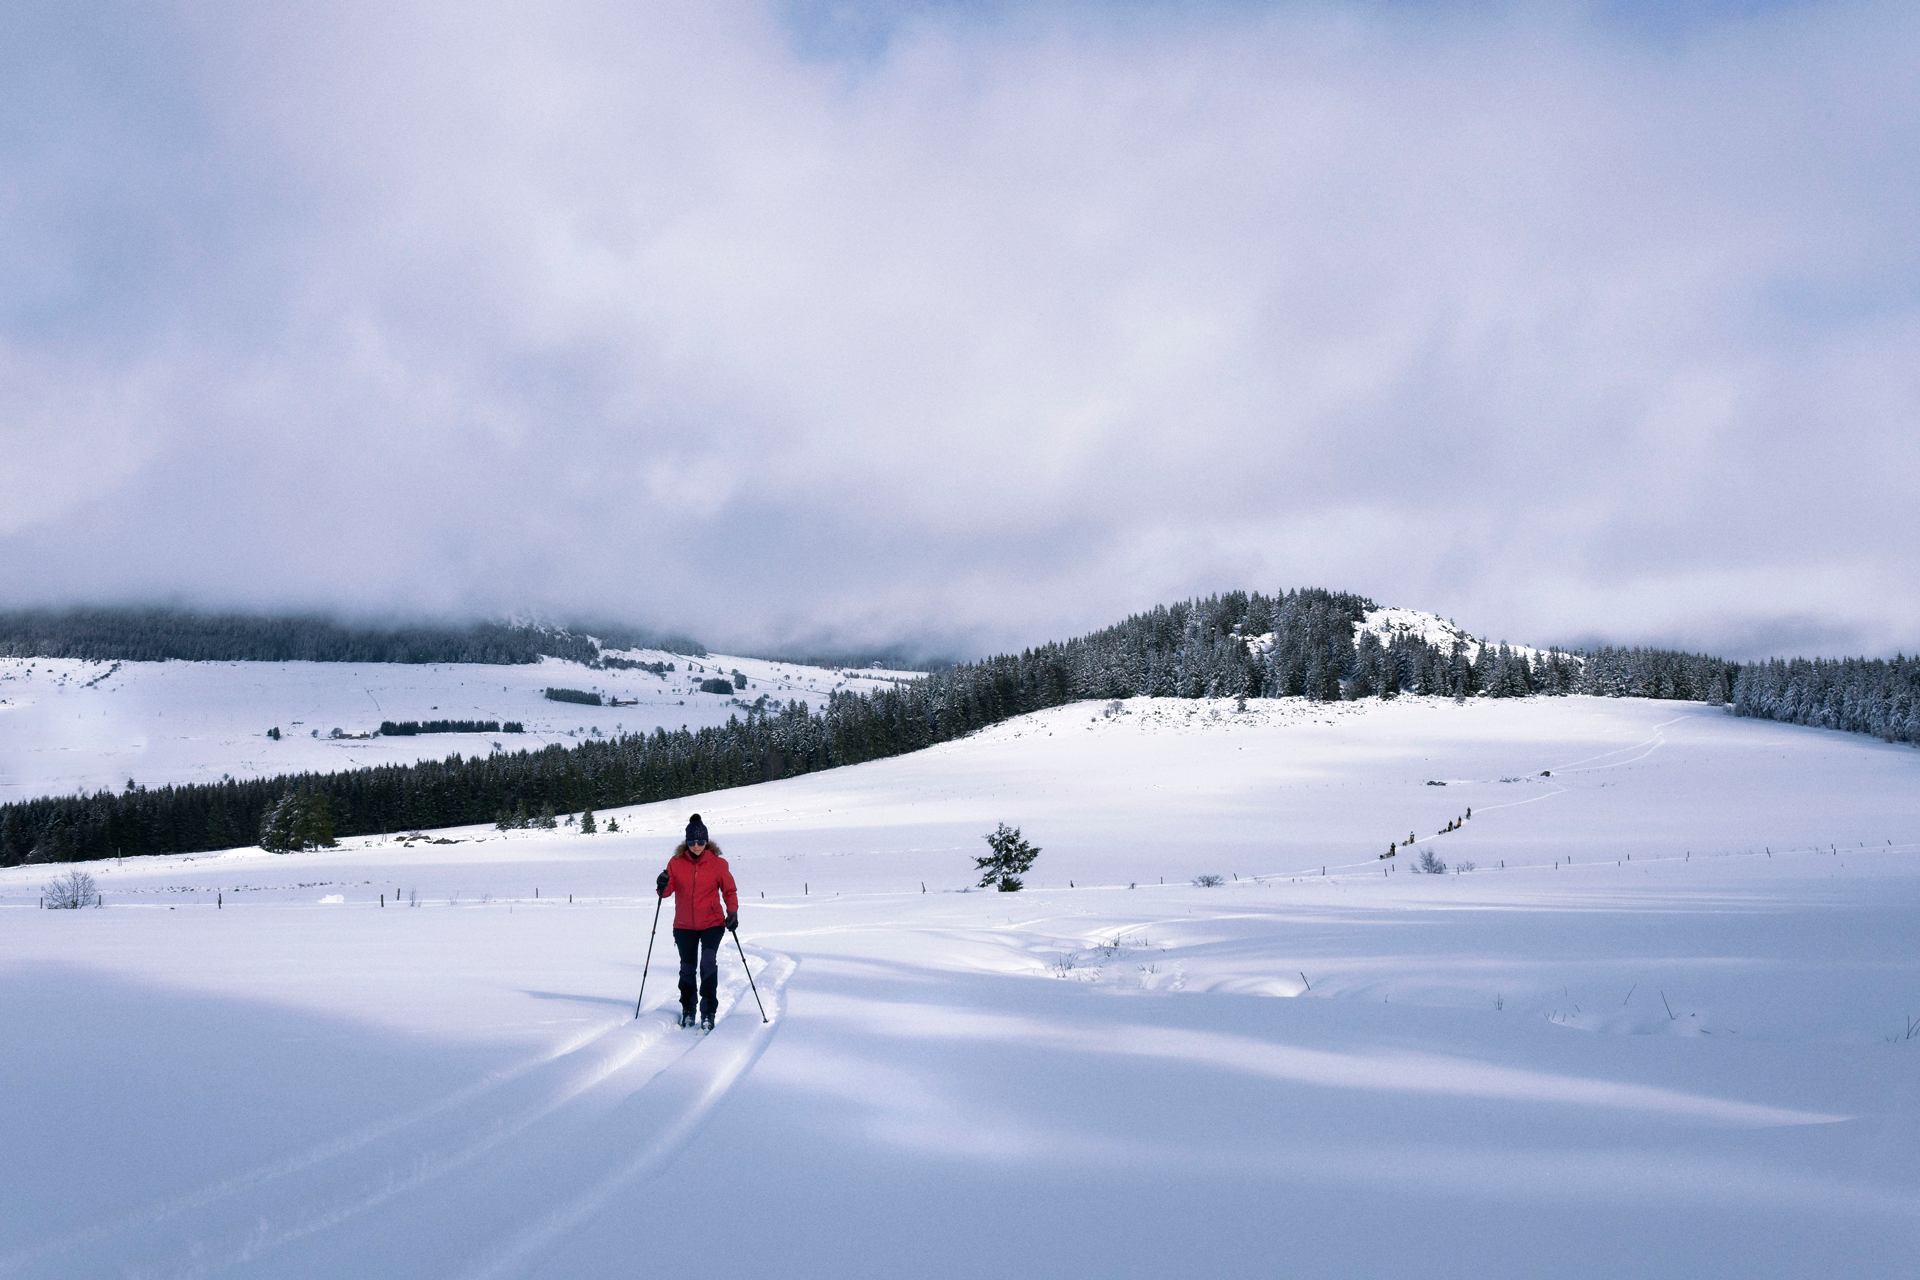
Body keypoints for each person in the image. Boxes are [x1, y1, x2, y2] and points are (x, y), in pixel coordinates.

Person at [654, 813, 739, 1030]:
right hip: (684, 926)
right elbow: (665, 892)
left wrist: (732, 912)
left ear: (707, 841)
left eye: (701, 841)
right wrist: (662, 884)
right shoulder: (675, 863)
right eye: (692, 842)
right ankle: (688, 1008)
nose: (697, 846)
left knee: (708, 963)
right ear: (687, 842)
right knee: (687, 967)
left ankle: (708, 1010)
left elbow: (729, 890)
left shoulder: (718, 864)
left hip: (712, 923)